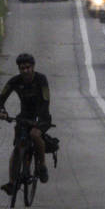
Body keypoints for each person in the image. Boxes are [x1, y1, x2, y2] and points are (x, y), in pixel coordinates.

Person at [0, 53, 51, 194]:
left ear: (33, 67)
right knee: (17, 149)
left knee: (35, 135)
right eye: (22, 68)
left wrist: (39, 120)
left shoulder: (41, 79)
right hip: (24, 116)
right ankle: (12, 183)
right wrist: (2, 112)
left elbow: (46, 100)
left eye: (28, 67)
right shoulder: (14, 81)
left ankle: (42, 166)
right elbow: (1, 98)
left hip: (42, 116)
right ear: (19, 69)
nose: (25, 71)